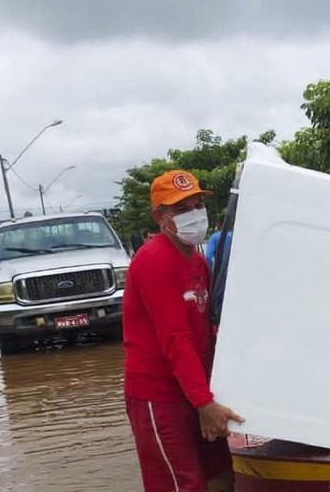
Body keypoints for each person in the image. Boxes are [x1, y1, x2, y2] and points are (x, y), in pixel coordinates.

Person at [122, 169, 244, 492]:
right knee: (183, 485)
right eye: (181, 209)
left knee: (221, 476)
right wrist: (204, 403)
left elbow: (209, 329)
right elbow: (176, 339)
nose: (194, 214)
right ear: (160, 217)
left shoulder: (198, 262)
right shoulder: (154, 261)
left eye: (197, 205)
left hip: (195, 389)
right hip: (161, 396)